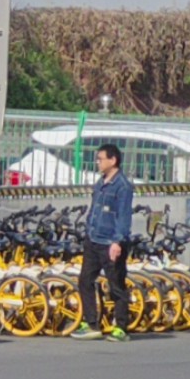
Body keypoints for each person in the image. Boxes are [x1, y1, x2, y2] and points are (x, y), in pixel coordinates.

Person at [71, 144, 134, 342]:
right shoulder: (101, 182)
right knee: (85, 280)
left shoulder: (122, 185)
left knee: (116, 285)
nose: (97, 162)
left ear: (112, 160)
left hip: (110, 242)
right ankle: (91, 323)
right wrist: (88, 230)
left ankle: (121, 327)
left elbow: (123, 216)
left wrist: (117, 242)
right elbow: (94, 209)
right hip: (94, 239)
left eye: (100, 158)